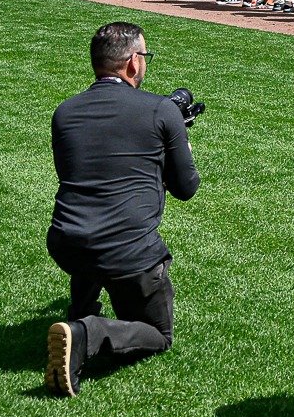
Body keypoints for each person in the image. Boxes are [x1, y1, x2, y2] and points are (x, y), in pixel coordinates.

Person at [44, 21, 200, 397]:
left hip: (67, 243)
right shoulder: (161, 110)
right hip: (128, 253)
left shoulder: (65, 112)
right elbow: (186, 188)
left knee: (93, 228)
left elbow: (90, 178)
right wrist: (178, 143)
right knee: (158, 335)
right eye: (144, 56)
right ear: (132, 63)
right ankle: (87, 332)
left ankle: (80, 308)